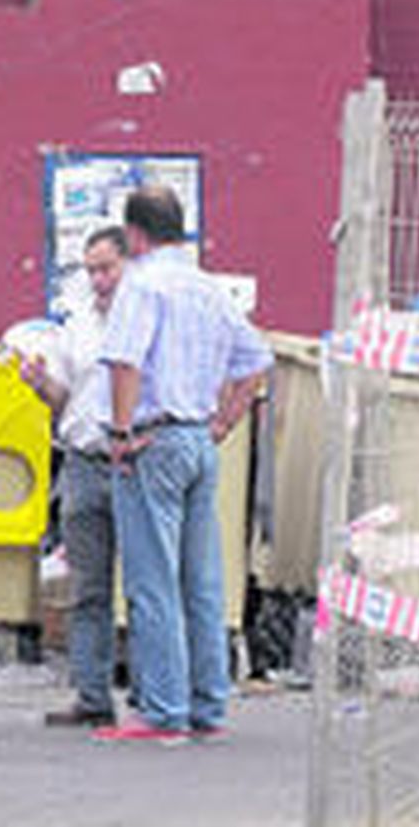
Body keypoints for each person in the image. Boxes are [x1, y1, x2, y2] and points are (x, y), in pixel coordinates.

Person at [93, 186, 272, 744]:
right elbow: (255, 362)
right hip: (198, 438)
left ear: (135, 236)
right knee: (202, 580)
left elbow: (126, 362)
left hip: (153, 437)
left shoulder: (141, 284)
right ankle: (207, 702)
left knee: (152, 580)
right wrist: (223, 422)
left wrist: (121, 434)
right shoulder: (209, 288)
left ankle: (162, 707)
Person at [19, 226, 127, 729]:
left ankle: (157, 695)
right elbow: (65, 399)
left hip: (133, 462)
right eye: (91, 271)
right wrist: (41, 384)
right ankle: (91, 693)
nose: (98, 280)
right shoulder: (79, 323)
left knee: (148, 586)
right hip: (83, 461)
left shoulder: (146, 318)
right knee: (88, 586)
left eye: (106, 268)